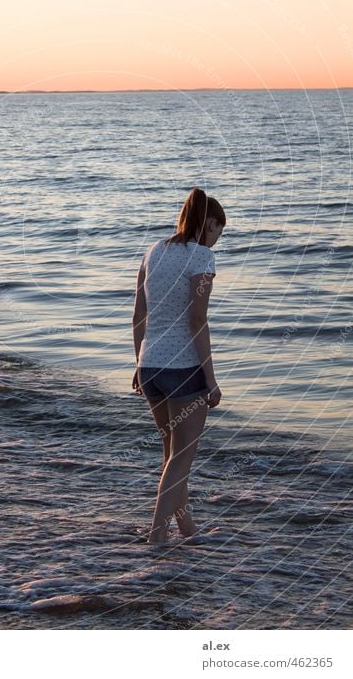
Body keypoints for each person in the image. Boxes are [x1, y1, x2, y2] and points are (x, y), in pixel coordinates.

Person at [131, 187, 226, 545]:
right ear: (210, 223)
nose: (218, 239)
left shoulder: (153, 252)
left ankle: (188, 531)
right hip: (184, 369)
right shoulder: (201, 258)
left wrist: (138, 361)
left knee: (172, 456)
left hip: (150, 366)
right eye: (219, 230)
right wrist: (211, 380)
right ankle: (157, 534)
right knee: (181, 458)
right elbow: (197, 319)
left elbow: (139, 314)